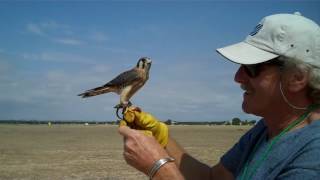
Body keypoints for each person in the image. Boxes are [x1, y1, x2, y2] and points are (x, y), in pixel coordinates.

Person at [118, 12, 320, 180]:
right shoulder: (268, 129)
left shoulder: (314, 154)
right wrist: (161, 137)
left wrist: (159, 167)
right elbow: (212, 178)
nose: (237, 77)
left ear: (297, 78)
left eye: (251, 68)